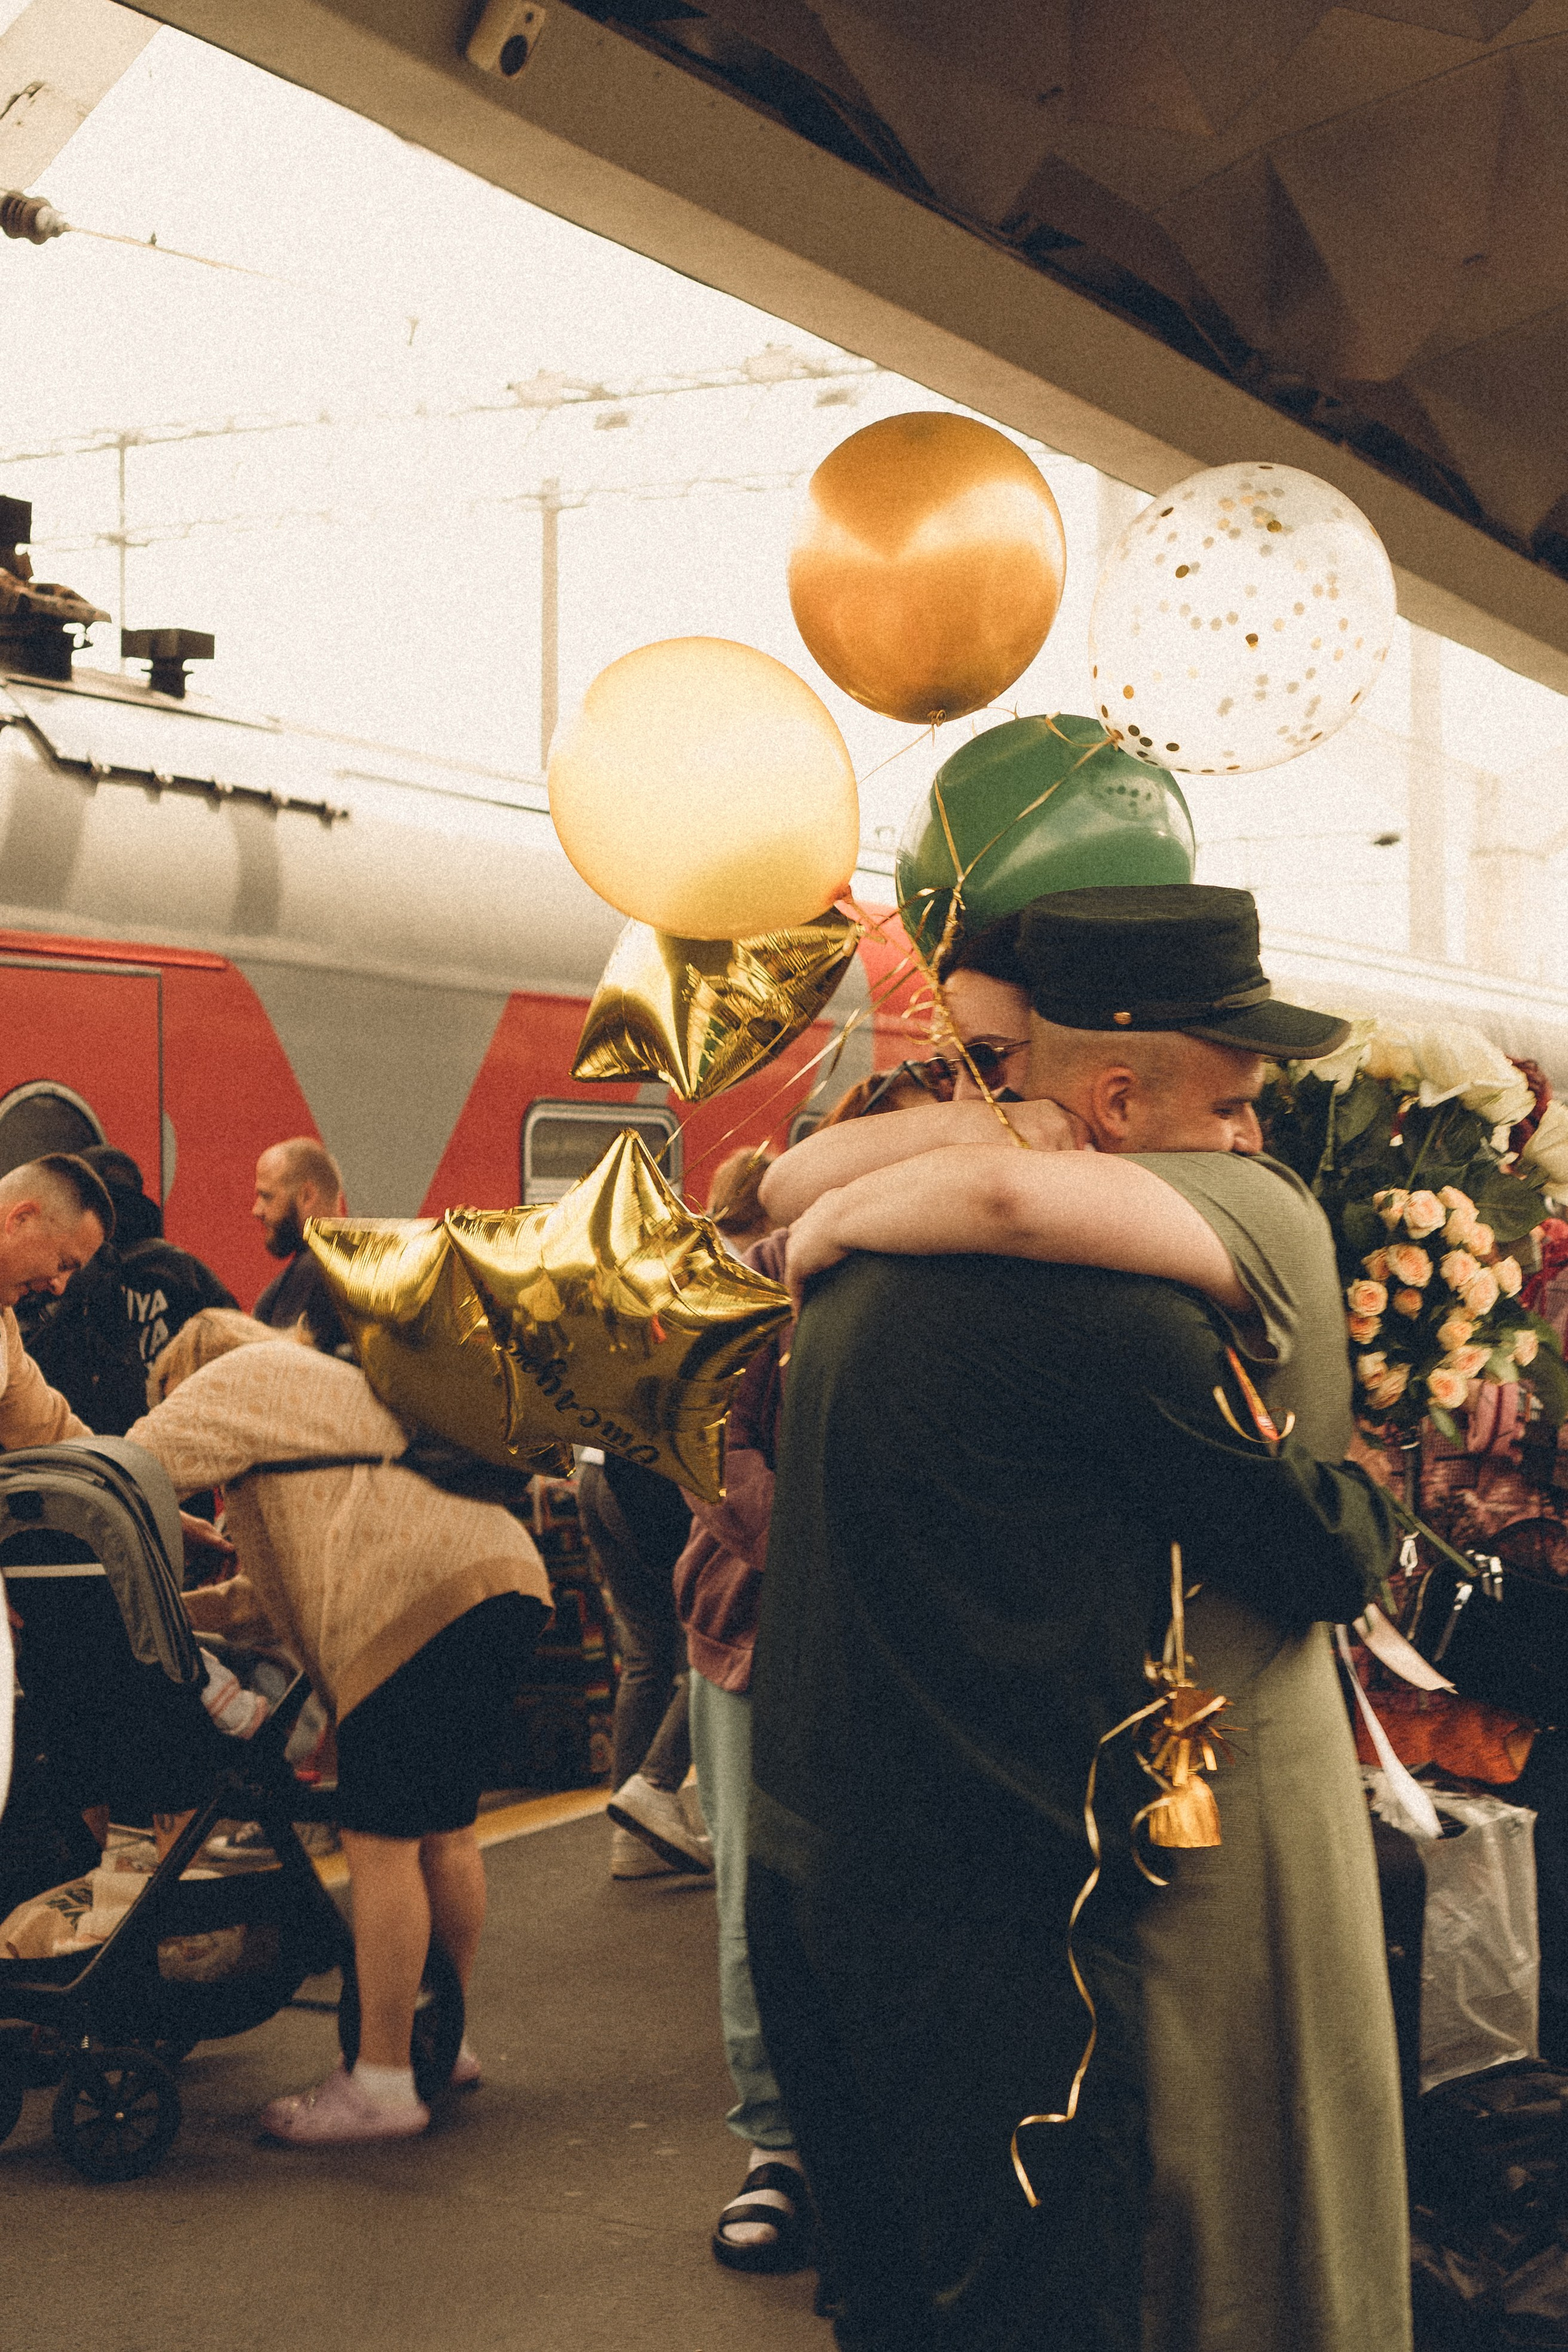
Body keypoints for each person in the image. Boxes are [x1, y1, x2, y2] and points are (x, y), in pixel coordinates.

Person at [747, 886, 1411, 2352]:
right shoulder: (1110, 1308)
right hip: (1003, 1920)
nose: (1252, 1144)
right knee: (1041, 2291)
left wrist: (831, 1206)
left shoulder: (862, 1274)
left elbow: (830, 1188)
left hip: (822, 1883)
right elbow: (1304, 1547)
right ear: (1118, 1098)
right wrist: (1370, 1491)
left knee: (893, 2287)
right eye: (1236, 1107)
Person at [126, 1306, 554, 2145]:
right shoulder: (341, 1390)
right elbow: (275, 1595)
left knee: (380, 1841)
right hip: (500, 1582)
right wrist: (183, 1611)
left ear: (188, 1370)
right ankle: (438, 2041)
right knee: (445, 1831)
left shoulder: (236, 1376)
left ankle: (384, 2082)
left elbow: (127, 1467)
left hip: (411, 1601)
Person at [22, 1145, 236, 1433]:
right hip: (172, 1435)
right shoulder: (185, 1269)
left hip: (82, 1444)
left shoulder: (61, 1274)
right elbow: (235, 1342)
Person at [580, 1453, 710, 1879]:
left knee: (645, 1658)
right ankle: (656, 1783)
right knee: (717, 1636)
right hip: (657, 1475)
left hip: (597, 1471)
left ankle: (633, 1838)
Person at [0, 1155, 113, 1446]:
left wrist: (119, 1470)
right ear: (20, 1219)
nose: (59, 1287)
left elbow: (46, 1426)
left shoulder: (3, 1321)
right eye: (64, 1263)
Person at [251, 1136, 347, 1344]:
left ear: (307, 1196)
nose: (256, 1210)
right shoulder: (349, 1261)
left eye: (267, 1197)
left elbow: (281, 1367)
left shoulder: (317, 1267)